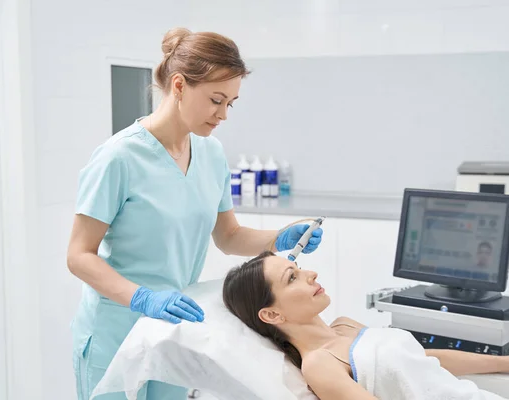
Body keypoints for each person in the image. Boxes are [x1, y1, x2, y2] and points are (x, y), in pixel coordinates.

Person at [66, 28, 324, 400]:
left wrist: (280, 237)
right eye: (216, 100)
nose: (223, 114)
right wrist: (143, 298)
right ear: (179, 85)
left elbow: (228, 236)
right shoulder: (118, 158)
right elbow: (78, 255)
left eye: (230, 103)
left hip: (172, 330)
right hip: (116, 330)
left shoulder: (211, 153)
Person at [223, 251, 509, 400]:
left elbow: (426, 358)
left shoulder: (345, 326)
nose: (312, 275)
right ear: (272, 315)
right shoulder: (319, 364)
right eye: (292, 277)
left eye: (299, 268)